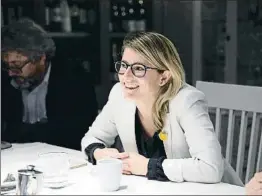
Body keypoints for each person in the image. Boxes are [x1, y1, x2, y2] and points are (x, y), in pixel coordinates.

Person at [81, 32, 242, 184]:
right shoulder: (119, 95)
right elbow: (92, 138)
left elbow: (211, 168)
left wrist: (147, 167)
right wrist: (99, 153)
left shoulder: (187, 101)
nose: (125, 76)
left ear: (163, 77)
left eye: (138, 68)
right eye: (124, 65)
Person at [1, 18, 98, 150]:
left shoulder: (75, 80)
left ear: (41, 58)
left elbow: (76, 133)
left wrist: (25, 131)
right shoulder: (6, 78)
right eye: (7, 65)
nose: (11, 73)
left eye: (17, 65)